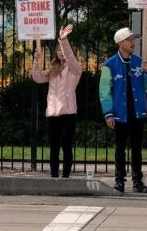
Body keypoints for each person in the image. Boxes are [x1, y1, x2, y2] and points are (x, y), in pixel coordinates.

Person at [98, 27, 147, 193]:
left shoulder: (139, 62)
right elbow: (104, 91)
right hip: (119, 113)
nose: (133, 42)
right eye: (129, 40)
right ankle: (119, 181)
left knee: (137, 149)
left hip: (137, 112)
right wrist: (108, 113)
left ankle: (138, 182)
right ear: (120, 43)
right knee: (120, 149)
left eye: (133, 39)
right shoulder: (110, 64)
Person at [32, 23, 82, 178]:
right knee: (53, 148)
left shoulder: (75, 69)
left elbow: (71, 59)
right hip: (52, 114)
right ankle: (54, 177)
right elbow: (38, 78)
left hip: (68, 113)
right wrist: (36, 61)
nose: (61, 53)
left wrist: (63, 40)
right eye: (59, 50)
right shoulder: (53, 69)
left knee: (67, 148)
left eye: (64, 51)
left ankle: (66, 177)